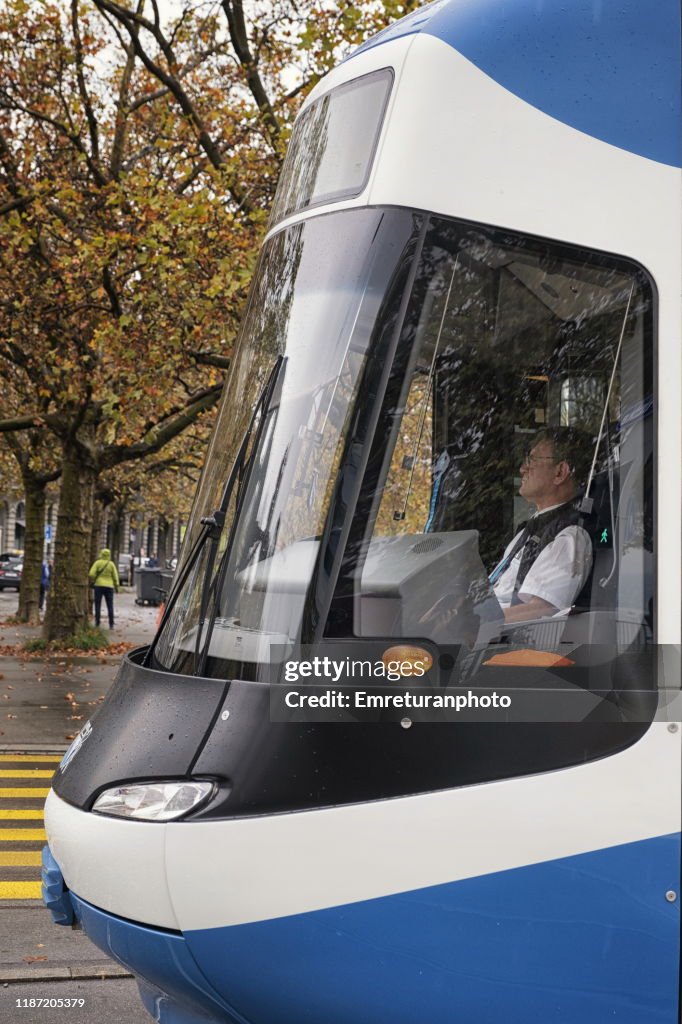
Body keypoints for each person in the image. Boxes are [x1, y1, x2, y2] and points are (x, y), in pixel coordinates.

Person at [490, 427, 593, 623]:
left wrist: (474, 626)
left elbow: (542, 609)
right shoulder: (526, 533)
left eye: (532, 460)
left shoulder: (570, 536)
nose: (523, 469)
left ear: (560, 472)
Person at [88, 547, 120, 629]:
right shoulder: (111, 564)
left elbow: (91, 573)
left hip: (98, 585)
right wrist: (116, 585)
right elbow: (115, 576)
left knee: (98, 605)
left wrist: (96, 577)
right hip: (109, 586)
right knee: (110, 605)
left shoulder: (98, 563)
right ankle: (111, 624)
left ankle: (97, 622)